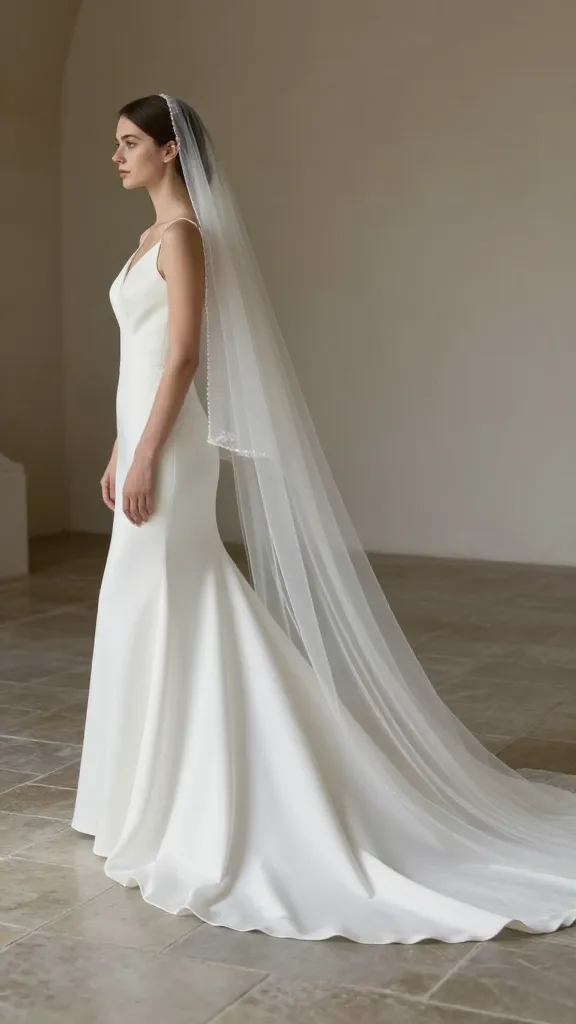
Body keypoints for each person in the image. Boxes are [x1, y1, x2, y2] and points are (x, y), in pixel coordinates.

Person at [72, 93, 576, 945]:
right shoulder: (149, 239)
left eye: (129, 144)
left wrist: (153, 448)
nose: (115, 156)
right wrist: (122, 447)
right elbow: (142, 358)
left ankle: (221, 792)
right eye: (116, 144)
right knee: (145, 606)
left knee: (172, 600)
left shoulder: (188, 238)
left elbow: (188, 355)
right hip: (147, 442)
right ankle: (142, 793)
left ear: (170, 151)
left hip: (178, 451)